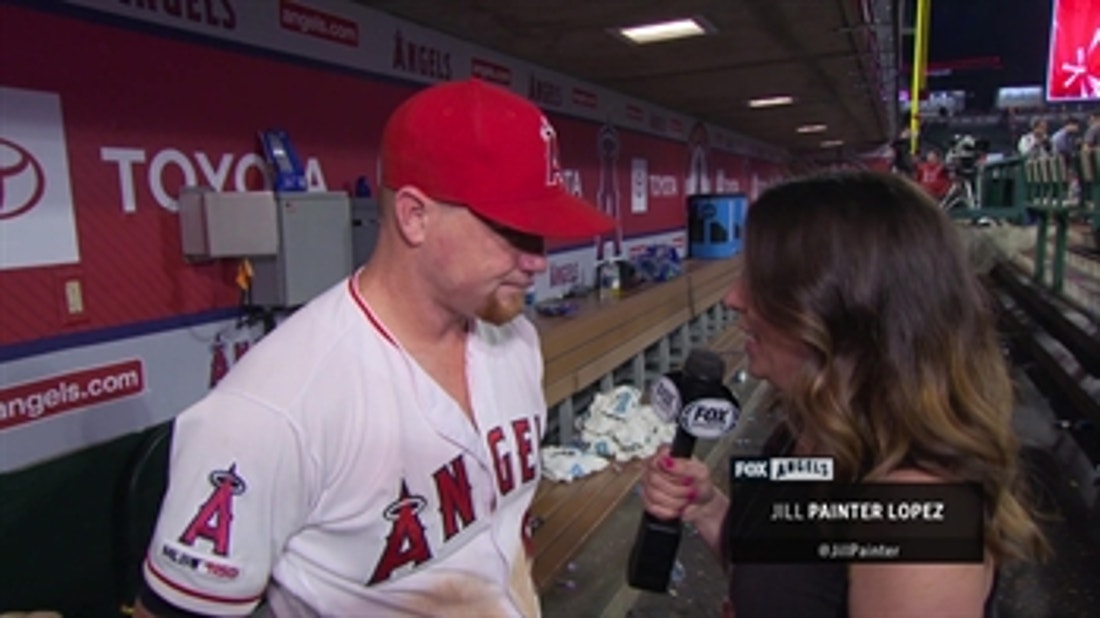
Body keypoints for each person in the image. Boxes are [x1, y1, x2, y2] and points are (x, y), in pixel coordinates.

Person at [135, 79, 614, 617]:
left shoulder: (515, 339)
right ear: (415, 216)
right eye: (513, 231)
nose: (538, 261)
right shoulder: (271, 408)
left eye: (542, 234)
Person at [640, 171, 1048, 617]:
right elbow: (785, 585)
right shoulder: (808, 431)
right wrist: (710, 511)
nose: (733, 297)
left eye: (760, 280)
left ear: (835, 308)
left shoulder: (912, 516)